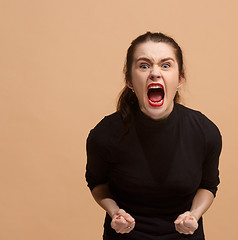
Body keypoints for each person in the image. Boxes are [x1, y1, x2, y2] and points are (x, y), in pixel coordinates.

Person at [85, 32, 222, 240]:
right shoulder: (105, 134)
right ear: (129, 80)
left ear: (180, 78)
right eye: (144, 65)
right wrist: (114, 212)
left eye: (165, 65)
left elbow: (208, 185)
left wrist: (194, 215)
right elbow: (97, 183)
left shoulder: (205, 132)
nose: (155, 73)